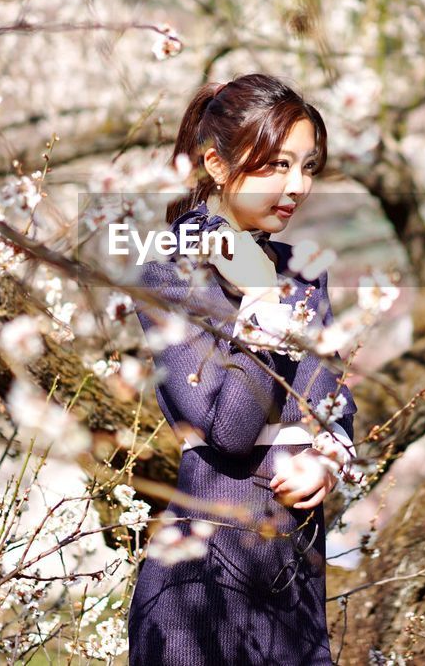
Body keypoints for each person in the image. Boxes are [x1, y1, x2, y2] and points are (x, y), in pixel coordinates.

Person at [126, 73, 358, 665]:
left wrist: (328, 456)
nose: (297, 185)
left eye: (308, 166)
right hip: (201, 593)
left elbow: (332, 399)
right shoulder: (171, 271)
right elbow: (228, 428)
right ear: (218, 164)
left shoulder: (303, 273)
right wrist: (263, 304)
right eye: (277, 165)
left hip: (293, 577)